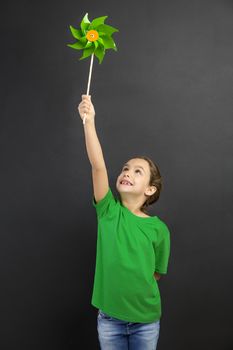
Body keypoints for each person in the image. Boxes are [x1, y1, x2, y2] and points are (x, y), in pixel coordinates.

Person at [78, 95, 171, 350]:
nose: (127, 172)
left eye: (137, 171)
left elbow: (155, 273)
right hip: (109, 320)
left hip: (146, 322)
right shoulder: (108, 211)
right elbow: (98, 166)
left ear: (150, 190)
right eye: (125, 168)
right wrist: (89, 122)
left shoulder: (159, 230)